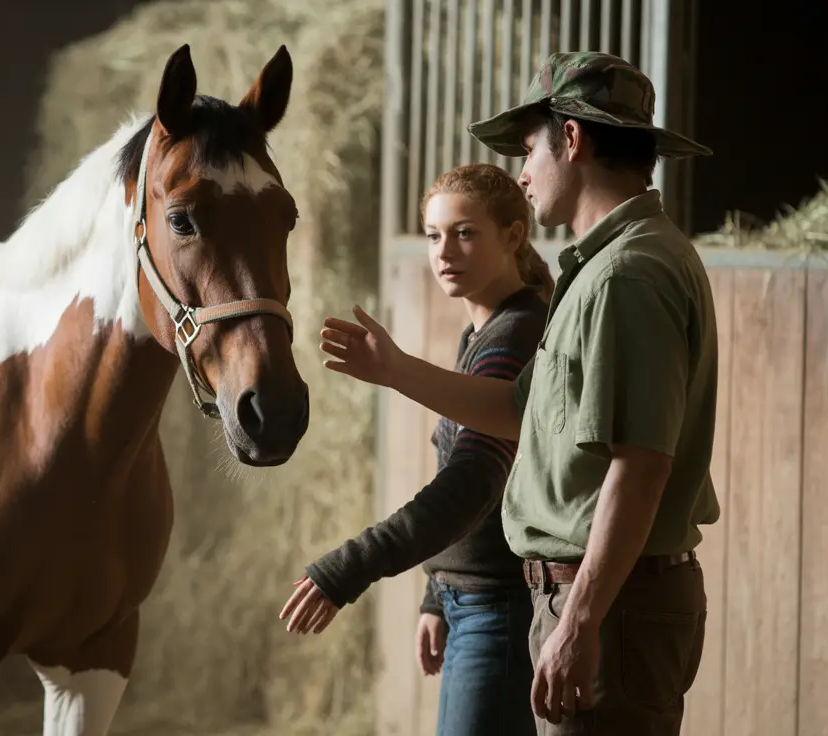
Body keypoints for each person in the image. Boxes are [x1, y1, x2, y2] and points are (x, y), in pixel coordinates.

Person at [304, 51, 721, 735]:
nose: (522, 173)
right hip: (595, 600)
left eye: (529, 148)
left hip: (607, 605)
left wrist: (581, 619)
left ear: (573, 138)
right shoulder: (602, 268)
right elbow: (514, 410)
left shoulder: (626, 275)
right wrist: (396, 368)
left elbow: (640, 464)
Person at [278, 163, 553, 736]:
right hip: (472, 604)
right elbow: (472, 474)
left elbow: (471, 484)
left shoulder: (514, 336)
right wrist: (437, 592)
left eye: (465, 232)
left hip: (499, 611)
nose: (443, 251)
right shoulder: (483, 331)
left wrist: (348, 568)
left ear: (513, 235)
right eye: (432, 235)